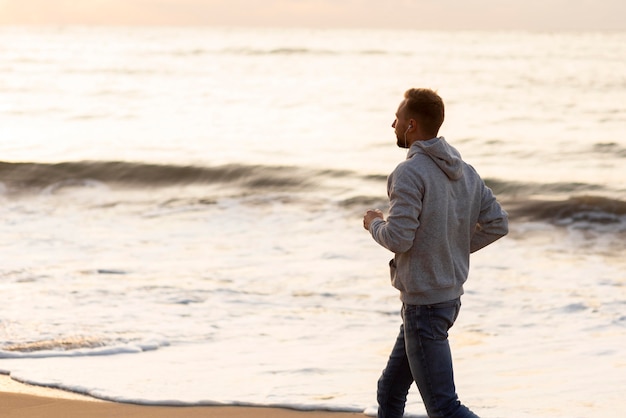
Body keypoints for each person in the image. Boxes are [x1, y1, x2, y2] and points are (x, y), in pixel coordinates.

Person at [363, 88, 508, 418]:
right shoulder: (466, 171)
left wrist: (373, 223)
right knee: (390, 389)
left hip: (425, 304)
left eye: (397, 119)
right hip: (444, 298)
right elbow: (498, 223)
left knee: (444, 407)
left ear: (411, 125)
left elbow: (398, 238)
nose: (393, 124)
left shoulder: (409, 172)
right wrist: (448, 247)